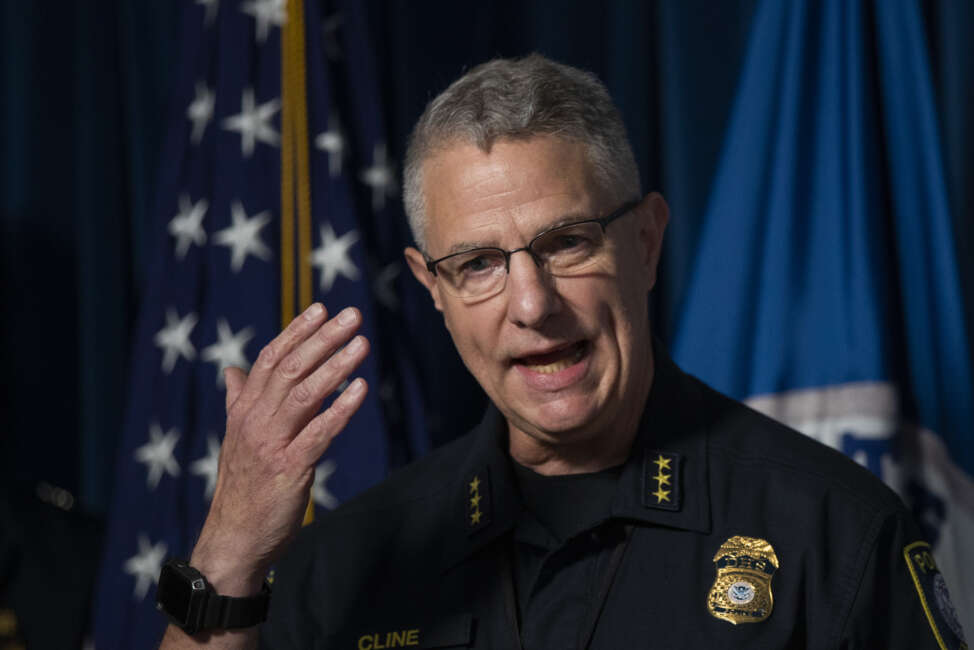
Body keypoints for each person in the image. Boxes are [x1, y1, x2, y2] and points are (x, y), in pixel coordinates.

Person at [157, 55, 967, 649]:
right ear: (431, 289)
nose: (532, 304)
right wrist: (228, 552)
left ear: (647, 242)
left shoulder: (836, 533)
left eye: (567, 243)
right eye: (476, 264)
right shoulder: (346, 565)